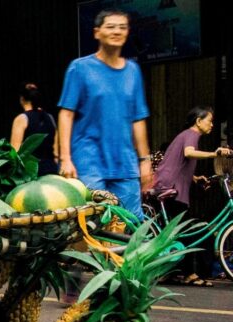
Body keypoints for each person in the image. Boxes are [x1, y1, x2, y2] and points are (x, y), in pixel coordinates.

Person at [58, 10, 151, 220]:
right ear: (97, 33)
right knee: (94, 222)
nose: (116, 31)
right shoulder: (80, 68)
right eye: (110, 26)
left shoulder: (132, 71)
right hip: (88, 160)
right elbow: (66, 114)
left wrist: (145, 160)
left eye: (122, 27)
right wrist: (66, 158)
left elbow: (138, 119)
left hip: (125, 163)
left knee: (132, 221)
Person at [152, 106, 232, 286]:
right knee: (187, 233)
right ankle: (189, 274)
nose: (211, 124)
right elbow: (188, 153)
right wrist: (215, 153)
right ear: (198, 121)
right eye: (209, 120)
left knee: (178, 233)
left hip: (168, 186)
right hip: (171, 189)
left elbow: (178, 162)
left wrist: (195, 178)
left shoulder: (185, 135)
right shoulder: (191, 135)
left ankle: (172, 272)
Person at [10, 83, 59, 176]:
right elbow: (56, 152)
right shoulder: (50, 117)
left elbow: (15, 153)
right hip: (51, 170)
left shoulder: (21, 119)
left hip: (30, 172)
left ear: (22, 99)